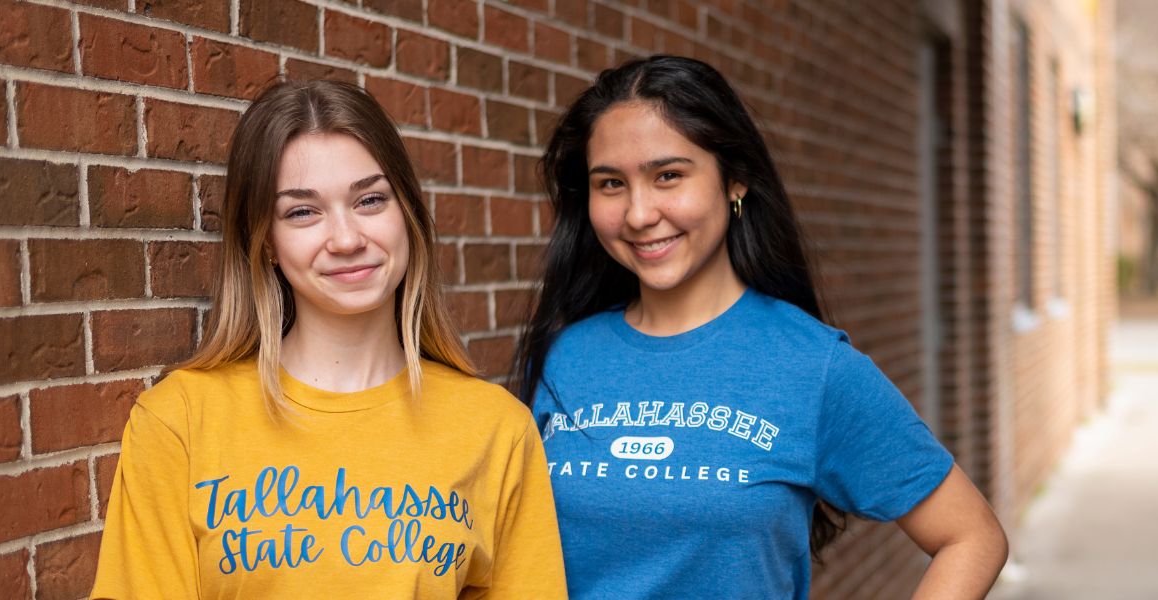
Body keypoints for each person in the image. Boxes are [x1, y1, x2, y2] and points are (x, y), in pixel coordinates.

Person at [514, 55, 1009, 598]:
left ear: (736, 181)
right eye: (611, 184)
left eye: (669, 176)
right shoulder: (564, 358)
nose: (637, 213)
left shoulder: (812, 365)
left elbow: (971, 537)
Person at [91, 80, 567, 599]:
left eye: (369, 200)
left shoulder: (496, 428)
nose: (346, 239)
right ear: (265, 241)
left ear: (406, 214)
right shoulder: (179, 421)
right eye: (302, 211)